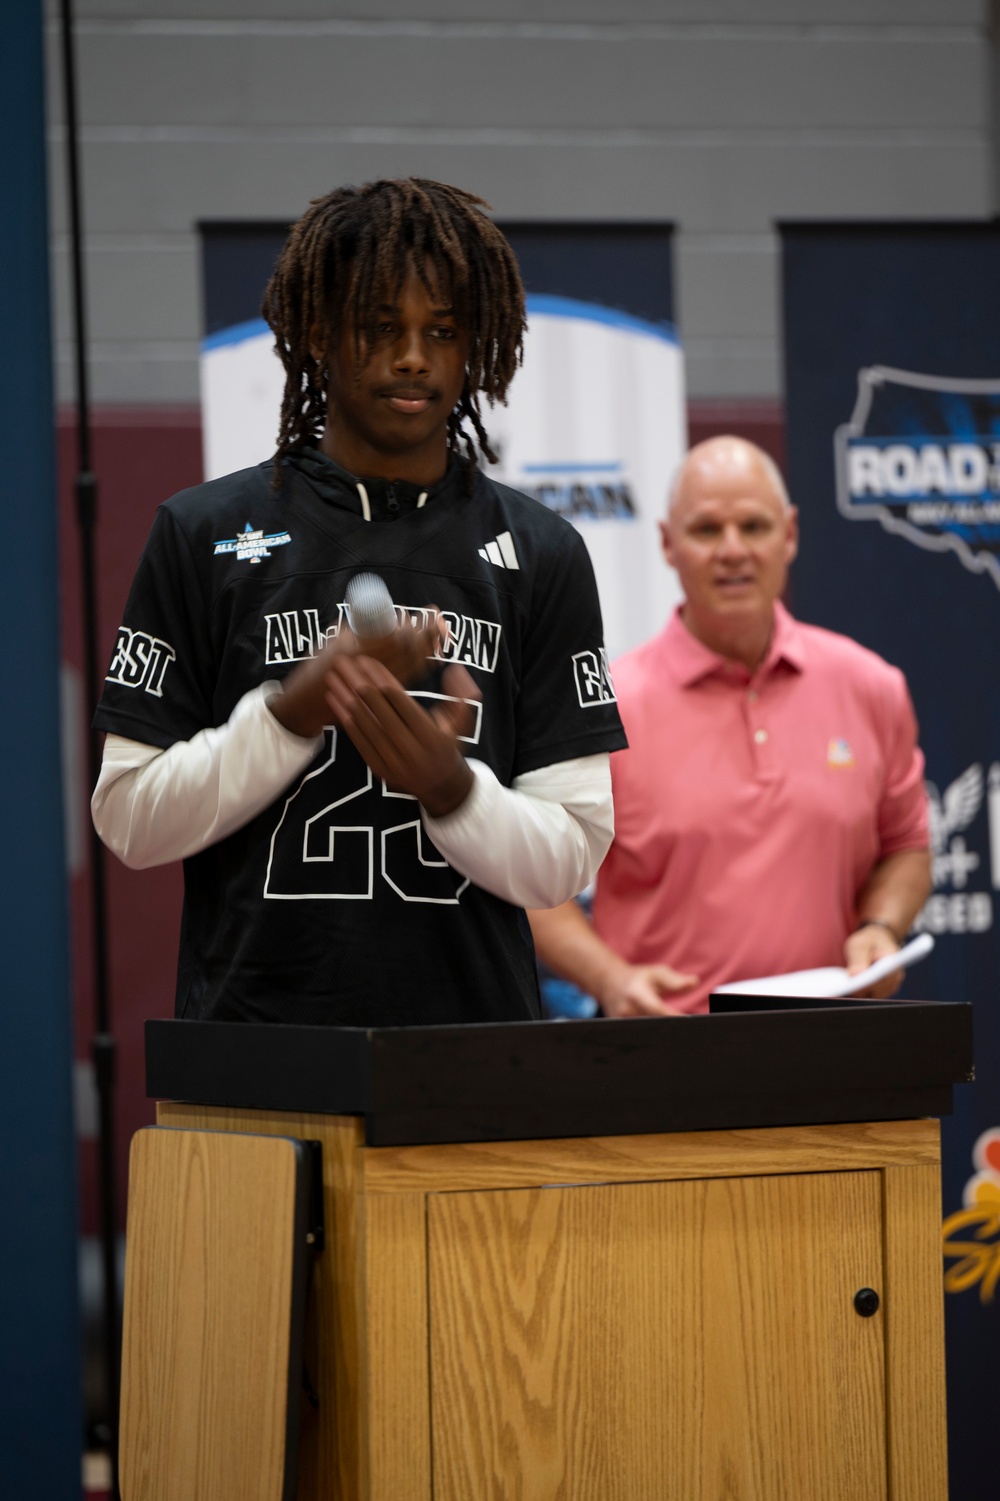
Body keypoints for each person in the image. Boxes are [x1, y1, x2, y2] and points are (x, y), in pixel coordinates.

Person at [91, 178, 626, 1027]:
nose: (413, 357)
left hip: (472, 1059)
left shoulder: (544, 553)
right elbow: (129, 820)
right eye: (381, 328)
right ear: (316, 333)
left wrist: (451, 788)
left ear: (474, 348)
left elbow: (567, 859)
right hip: (252, 1059)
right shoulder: (203, 533)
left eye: (442, 332)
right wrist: (291, 713)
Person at [528, 435, 931, 1016]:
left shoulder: (870, 685)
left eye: (755, 526)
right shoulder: (604, 704)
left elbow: (907, 846)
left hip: (837, 1053)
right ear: (668, 544)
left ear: (789, 534)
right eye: (707, 530)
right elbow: (534, 885)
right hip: (667, 1068)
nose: (733, 550)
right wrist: (611, 979)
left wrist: (882, 927)